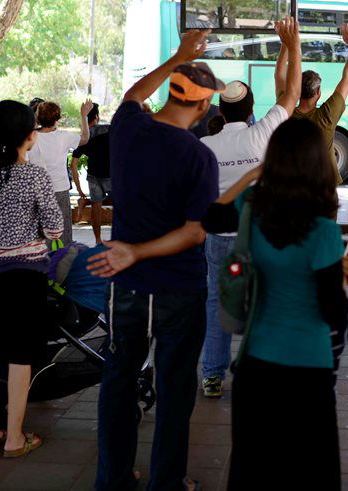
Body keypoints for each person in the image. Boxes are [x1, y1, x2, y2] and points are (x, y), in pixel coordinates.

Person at [86, 30, 219, 491]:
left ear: (170, 92)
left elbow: (132, 95)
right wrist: (138, 251)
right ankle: (167, 481)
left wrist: (178, 55)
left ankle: (114, 479)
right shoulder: (199, 157)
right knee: (176, 389)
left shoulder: (127, 129)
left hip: (126, 288)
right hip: (179, 290)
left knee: (118, 383)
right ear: (203, 107)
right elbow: (194, 231)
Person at [201, 118, 346, 489]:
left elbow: (212, 213)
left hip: (256, 366)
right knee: (311, 472)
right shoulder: (325, 232)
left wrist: (253, 175)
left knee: (252, 469)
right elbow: (335, 313)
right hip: (308, 371)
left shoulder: (252, 209)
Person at [197, 16, 302, 399]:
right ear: (252, 108)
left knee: (215, 305)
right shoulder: (261, 136)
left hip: (218, 241)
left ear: (219, 113)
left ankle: (211, 375)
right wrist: (292, 45)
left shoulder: (206, 148)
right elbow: (291, 95)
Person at [0, 100, 64, 459]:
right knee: (20, 356)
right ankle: (15, 437)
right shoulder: (35, 175)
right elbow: (55, 228)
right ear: (29, 137)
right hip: (26, 278)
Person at [294, 22, 348, 181]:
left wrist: (289, 45)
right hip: (324, 184)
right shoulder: (326, 116)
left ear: (296, 92)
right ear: (318, 93)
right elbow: (347, 78)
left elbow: (279, 78)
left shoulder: (286, 112)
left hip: (295, 184)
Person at [28, 100, 92, 245]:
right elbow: (85, 138)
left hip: (36, 190)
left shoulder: (30, 137)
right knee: (62, 231)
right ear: (57, 118)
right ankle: (62, 261)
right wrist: (84, 115)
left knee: (40, 231)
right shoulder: (64, 136)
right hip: (59, 188)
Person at [71, 103, 111, 244]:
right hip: (111, 175)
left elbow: (73, 164)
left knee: (96, 207)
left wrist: (79, 190)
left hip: (93, 176)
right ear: (97, 117)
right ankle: (119, 238)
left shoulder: (83, 137)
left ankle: (98, 240)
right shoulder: (109, 129)